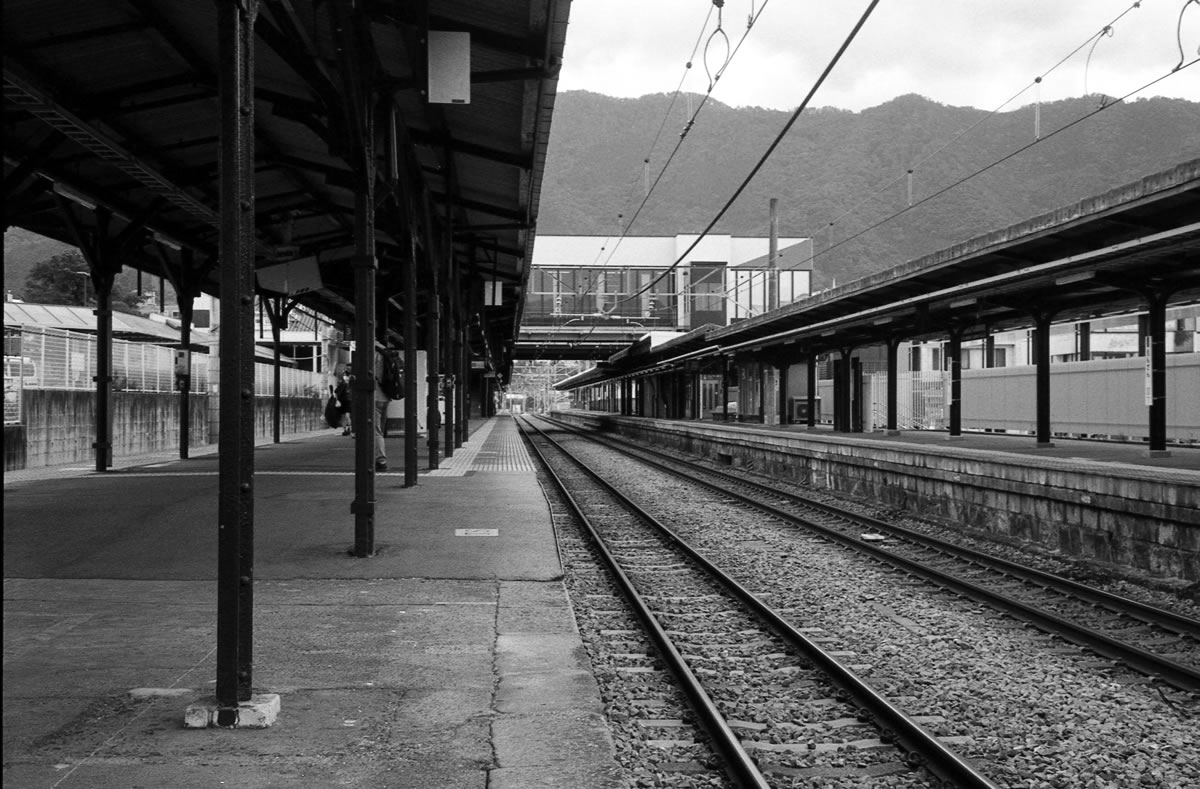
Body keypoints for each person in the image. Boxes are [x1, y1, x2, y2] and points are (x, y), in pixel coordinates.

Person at [373, 345, 390, 472]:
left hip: (374, 396)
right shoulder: (385, 353)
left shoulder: (372, 354)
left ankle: (381, 460)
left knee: (376, 431)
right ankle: (379, 457)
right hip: (385, 396)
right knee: (380, 430)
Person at [334, 368, 353, 435]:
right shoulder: (351, 383)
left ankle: (345, 429)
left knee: (342, 416)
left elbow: (336, 391)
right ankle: (350, 429)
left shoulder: (342, 382)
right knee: (347, 416)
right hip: (349, 401)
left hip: (342, 401)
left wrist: (336, 399)